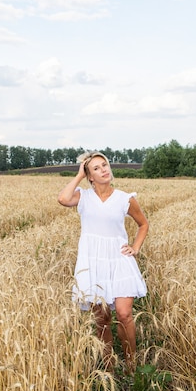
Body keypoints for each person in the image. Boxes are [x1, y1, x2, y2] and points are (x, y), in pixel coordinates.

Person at [57, 151, 149, 374]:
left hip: (119, 260)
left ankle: (130, 364)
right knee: (102, 318)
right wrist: (79, 175)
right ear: (89, 176)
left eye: (104, 165)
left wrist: (135, 248)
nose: (104, 170)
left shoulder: (125, 198)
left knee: (124, 313)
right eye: (96, 168)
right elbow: (62, 199)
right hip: (93, 261)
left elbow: (143, 224)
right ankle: (108, 367)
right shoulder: (83, 197)